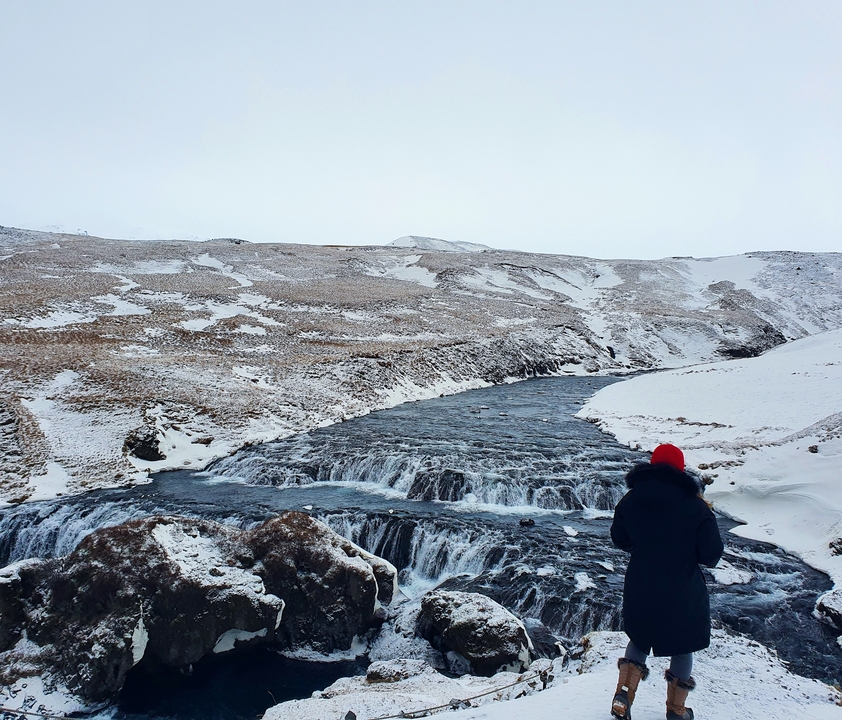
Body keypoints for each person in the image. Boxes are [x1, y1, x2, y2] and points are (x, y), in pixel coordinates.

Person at [609, 443, 724, 720]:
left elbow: (619, 538)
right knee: (682, 646)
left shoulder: (632, 499)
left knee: (639, 638)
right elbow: (711, 555)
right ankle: (676, 711)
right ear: (680, 470)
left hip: (641, 582)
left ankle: (623, 695)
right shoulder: (696, 506)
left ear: (651, 466)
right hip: (682, 587)